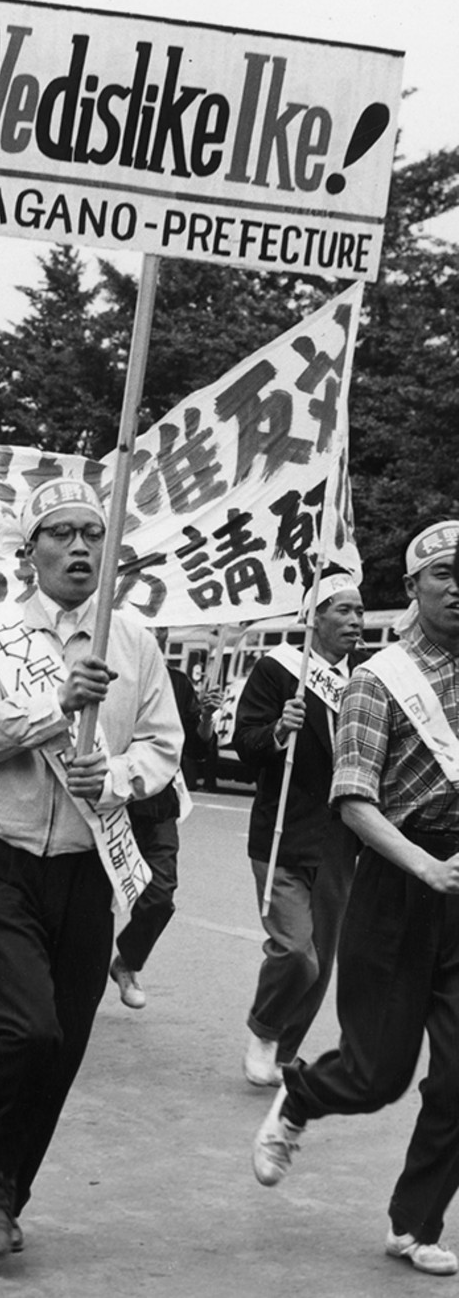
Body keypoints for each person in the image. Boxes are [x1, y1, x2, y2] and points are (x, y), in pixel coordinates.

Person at [0, 478, 183, 1259]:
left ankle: (3, 1184)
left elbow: (162, 744)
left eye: (94, 533)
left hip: (88, 870)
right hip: (2, 859)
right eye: (63, 533)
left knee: (66, 1044)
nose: (81, 547)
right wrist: (57, 704)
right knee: (30, 1027)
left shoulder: (136, 641)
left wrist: (116, 779)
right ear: (29, 552)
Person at [252, 520, 459, 1278]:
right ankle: (303, 1094)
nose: (458, 586)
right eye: (446, 573)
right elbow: (354, 799)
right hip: (397, 883)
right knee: (379, 1073)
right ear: (413, 588)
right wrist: (426, 868)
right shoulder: (379, 679)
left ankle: (416, 1221)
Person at [234, 574, 365, 1086]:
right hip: (283, 831)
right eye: (344, 611)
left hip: (339, 838)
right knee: (296, 953)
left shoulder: (364, 679)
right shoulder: (278, 669)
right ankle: (264, 1032)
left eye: (360, 611)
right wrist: (277, 730)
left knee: (323, 957)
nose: (355, 622)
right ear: (316, 618)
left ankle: (282, 1053)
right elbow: (246, 743)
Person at [108, 628, 220, 1010]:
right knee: (89, 901)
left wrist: (205, 716)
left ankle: (128, 963)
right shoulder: (104, 670)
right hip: (107, 803)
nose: (153, 633)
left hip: (158, 806)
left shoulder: (177, 681)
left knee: (159, 897)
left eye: (161, 628)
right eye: (145, 625)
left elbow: (200, 748)